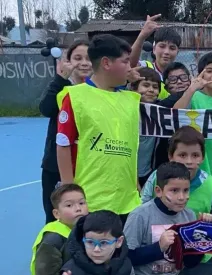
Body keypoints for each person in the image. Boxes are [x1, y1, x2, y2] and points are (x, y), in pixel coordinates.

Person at [56, 34, 141, 225]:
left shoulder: (130, 100)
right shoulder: (76, 97)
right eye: (126, 61)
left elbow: (130, 147)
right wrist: (70, 196)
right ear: (106, 63)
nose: (130, 67)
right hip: (91, 200)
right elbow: (63, 144)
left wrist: (136, 186)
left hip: (128, 200)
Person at [124, 162, 212, 275]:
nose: (182, 197)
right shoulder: (139, 215)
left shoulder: (189, 215)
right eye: (174, 190)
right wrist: (159, 247)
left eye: (186, 190)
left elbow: (190, 263)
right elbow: (126, 258)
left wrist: (201, 237)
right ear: (158, 191)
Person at [141, 126, 212, 232]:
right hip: (159, 247)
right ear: (171, 156)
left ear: (202, 158)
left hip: (199, 249)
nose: (189, 161)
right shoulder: (157, 176)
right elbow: (142, 209)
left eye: (195, 155)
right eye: (182, 155)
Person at [39, 40, 91, 224]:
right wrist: (60, 79)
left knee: (84, 216)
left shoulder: (101, 91)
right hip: (55, 165)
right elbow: (46, 109)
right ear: (68, 62)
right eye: (78, 58)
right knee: (55, 217)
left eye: (89, 58)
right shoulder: (61, 87)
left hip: (87, 166)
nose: (84, 62)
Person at [173, 52, 212, 177]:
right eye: (209, 71)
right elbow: (175, 114)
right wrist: (192, 89)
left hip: (208, 166)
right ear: (201, 75)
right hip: (184, 166)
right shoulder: (193, 96)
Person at [31, 184, 89, 275]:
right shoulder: (52, 240)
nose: (78, 209)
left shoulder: (91, 227)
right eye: (69, 205)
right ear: (57, 214)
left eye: (81, 203)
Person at [61, 210, 134, 275]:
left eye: (104, 243)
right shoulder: (71, 270)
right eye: (90, 242)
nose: (96, 249)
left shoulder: (126, 266)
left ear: (119, 242)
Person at [129, 14, 181, 99]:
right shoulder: (144, 67)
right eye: (162, 46)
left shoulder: (180, 76)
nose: (166, 52)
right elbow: (130, 64)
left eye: (172, 48)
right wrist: (142, 36)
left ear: (177, 52)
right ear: (154, 49)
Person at [131, 67, 164, 188]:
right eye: (146, 85)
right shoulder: (126, 110)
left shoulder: (161, 111)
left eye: (155, 87)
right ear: (134, 88)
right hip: (127, 173)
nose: (151, 90)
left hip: (149, 174)